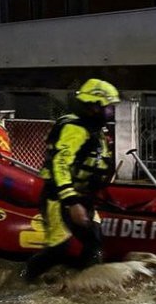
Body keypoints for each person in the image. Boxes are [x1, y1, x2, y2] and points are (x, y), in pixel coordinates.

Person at [22, 79, 118, 280]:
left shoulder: (95, 130)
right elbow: (61, 165)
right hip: (59, 198)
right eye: (108, 107)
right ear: (94, 106)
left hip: (83, 197)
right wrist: (73, 203)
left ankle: (87, 284)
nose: (111, 112)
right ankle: (25, 279)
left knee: (95, 242)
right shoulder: (74, 129)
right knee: (59, 248)